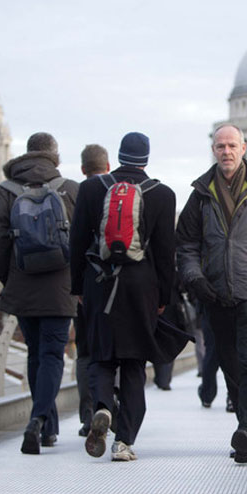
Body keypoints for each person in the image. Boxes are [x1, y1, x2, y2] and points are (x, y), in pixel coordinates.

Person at [176, 124, 247, 463]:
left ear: (243, 148)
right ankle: (246, 425)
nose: (226, 151)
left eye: (231, 146)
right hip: (215, 294)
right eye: (220, 146)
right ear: (213, 150)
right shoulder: (200, 194)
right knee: (229, 364)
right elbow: (186, 245)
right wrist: (195, 278)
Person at [70, 131, 176, 462]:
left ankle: (102, 406)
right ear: (146, 158)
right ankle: (123, 442)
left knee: (101, 357)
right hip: (141, 286)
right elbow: (165, 253)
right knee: (133, 363)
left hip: (99, 283)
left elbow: (76, 243)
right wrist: (163, 297)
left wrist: (78, 287)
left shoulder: (90, 189)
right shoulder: (163, 194)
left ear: (117, 156)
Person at [0, 132, 79, 455]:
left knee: (35, 353)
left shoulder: (6, 190)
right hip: (60, 286)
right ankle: (39, 421)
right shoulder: (69, 189)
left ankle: (47, 428)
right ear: (55, 156)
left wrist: (7, 275)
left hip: (22, 283)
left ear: (27, 154)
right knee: (53, 355)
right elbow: (84, 241)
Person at [74, 144, 110, 436]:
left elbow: (75, 243)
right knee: (113, 350)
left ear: (82, 168)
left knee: (85, 353)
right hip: (114, 285)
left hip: (84, 285)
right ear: (107, 166)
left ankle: (88, 414)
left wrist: (76, 287)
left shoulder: (77, 191)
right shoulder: (120, 190)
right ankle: (111, 405)